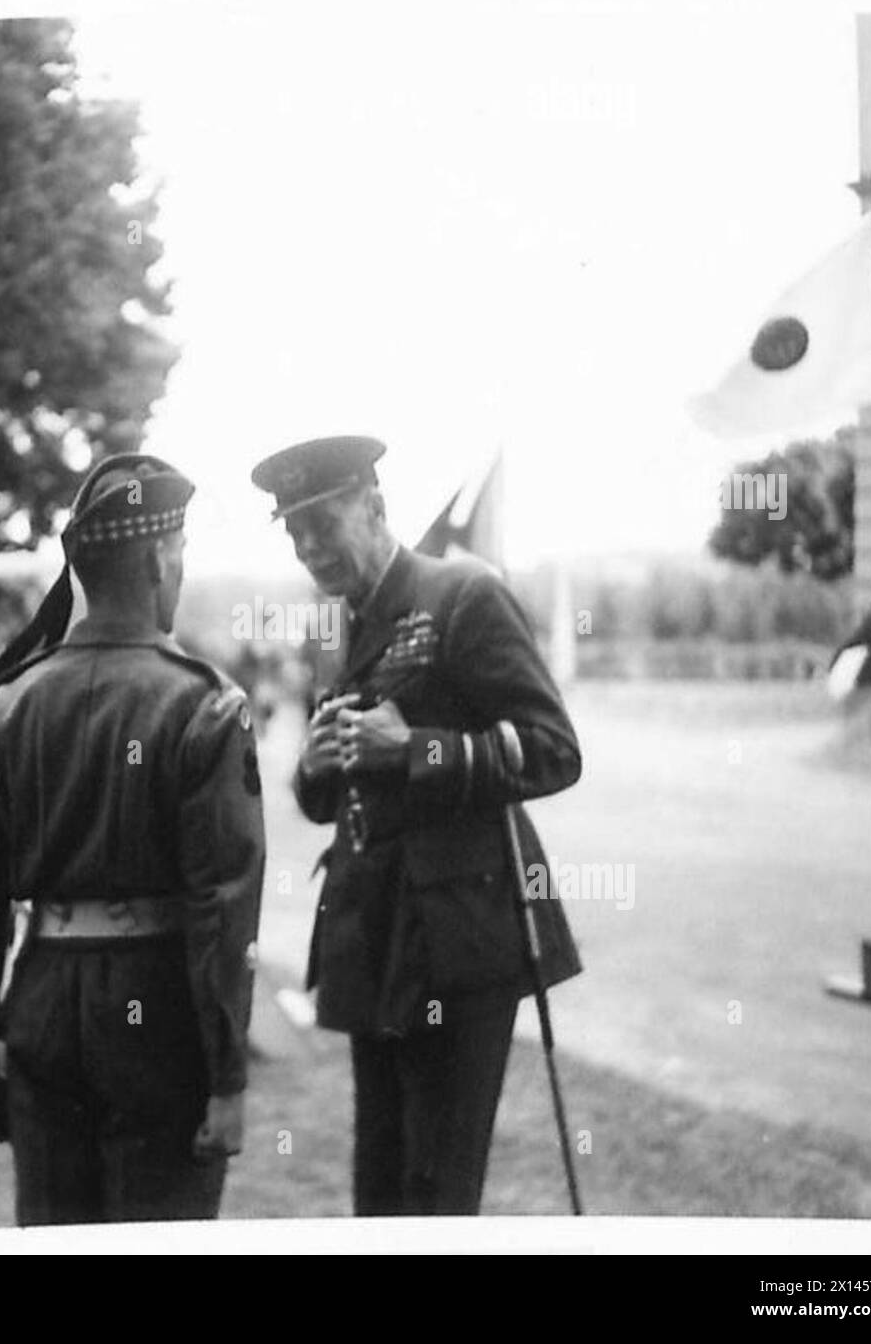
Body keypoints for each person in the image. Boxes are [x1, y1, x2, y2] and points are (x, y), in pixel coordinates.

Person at [250, 434, 583, 1216]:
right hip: (375, 939)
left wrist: (419, 749)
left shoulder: (464, 596)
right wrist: (318, 764)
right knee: (382, 1192)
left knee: (436, 1194)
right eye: (293, 532)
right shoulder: (346, 626)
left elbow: (555, 751)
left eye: (321, 523)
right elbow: (330, 796)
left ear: (374, 507)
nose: (308, 548)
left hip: (459, 946)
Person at [0, 453, 264, 1224]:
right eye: (179, 555)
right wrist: (227, 1080)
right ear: (157, 559)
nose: (179, 573)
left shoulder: (7, 707)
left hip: (43, 1002)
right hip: (159, 1018)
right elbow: (222, 909)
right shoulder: (203, 707)